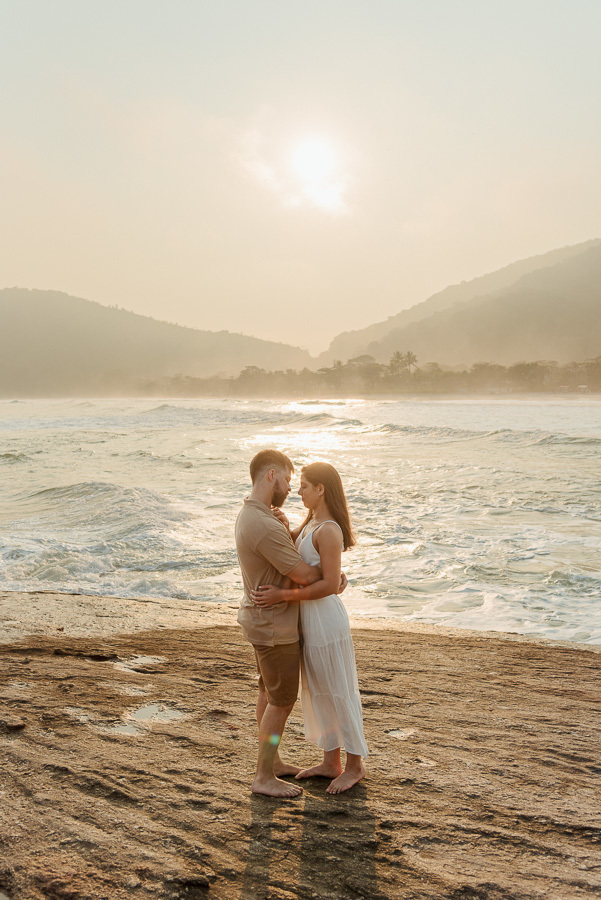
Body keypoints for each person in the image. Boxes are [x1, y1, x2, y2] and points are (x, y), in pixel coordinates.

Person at [235, 449, 347, 799]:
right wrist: (334, 579)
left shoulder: (256, 515)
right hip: (274, 627)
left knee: (268, 693)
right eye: (287, 478)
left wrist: (288, 529)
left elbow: (291, 559)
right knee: (282, 701)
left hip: (260, 621)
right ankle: (264, 776)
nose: (289, 487)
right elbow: (304, 574)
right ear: (271, 476)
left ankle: (274, 761)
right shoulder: (264, 524)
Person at [251, 462, 368, 794]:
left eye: (304, 485)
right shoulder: (310, 523)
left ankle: (355, 765)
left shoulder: (329, 529)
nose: (297, 490)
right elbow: (301, 558)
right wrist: (285, 528)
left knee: (340, 689)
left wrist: (283, 595)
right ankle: (331, 761)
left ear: (321, 490)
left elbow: (331, 584)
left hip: (326, 622)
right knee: (320, 692)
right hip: (309, 621)